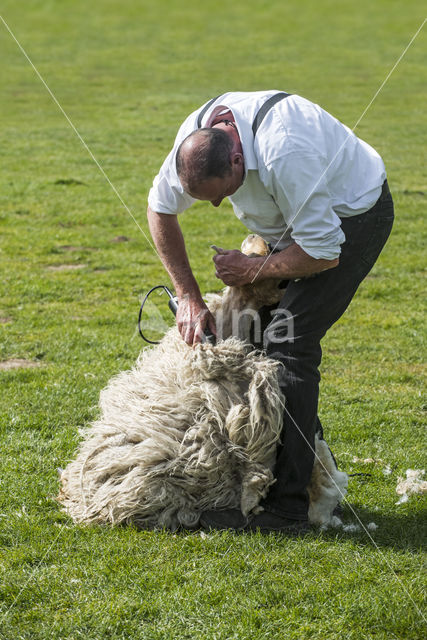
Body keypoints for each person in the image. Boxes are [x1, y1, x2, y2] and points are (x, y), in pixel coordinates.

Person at [147, 90, 394, 534]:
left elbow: (323, 252)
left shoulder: (286, 150)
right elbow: (160, 210)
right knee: (253, 337)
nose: (219, 207)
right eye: (205, 200)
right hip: (290, 221)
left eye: (223, 194)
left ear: (237, 161)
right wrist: (188, 295)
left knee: (289, 341)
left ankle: (289, 509)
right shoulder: (195, 139)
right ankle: (291, 471)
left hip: (350, 221)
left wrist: (252, 268)